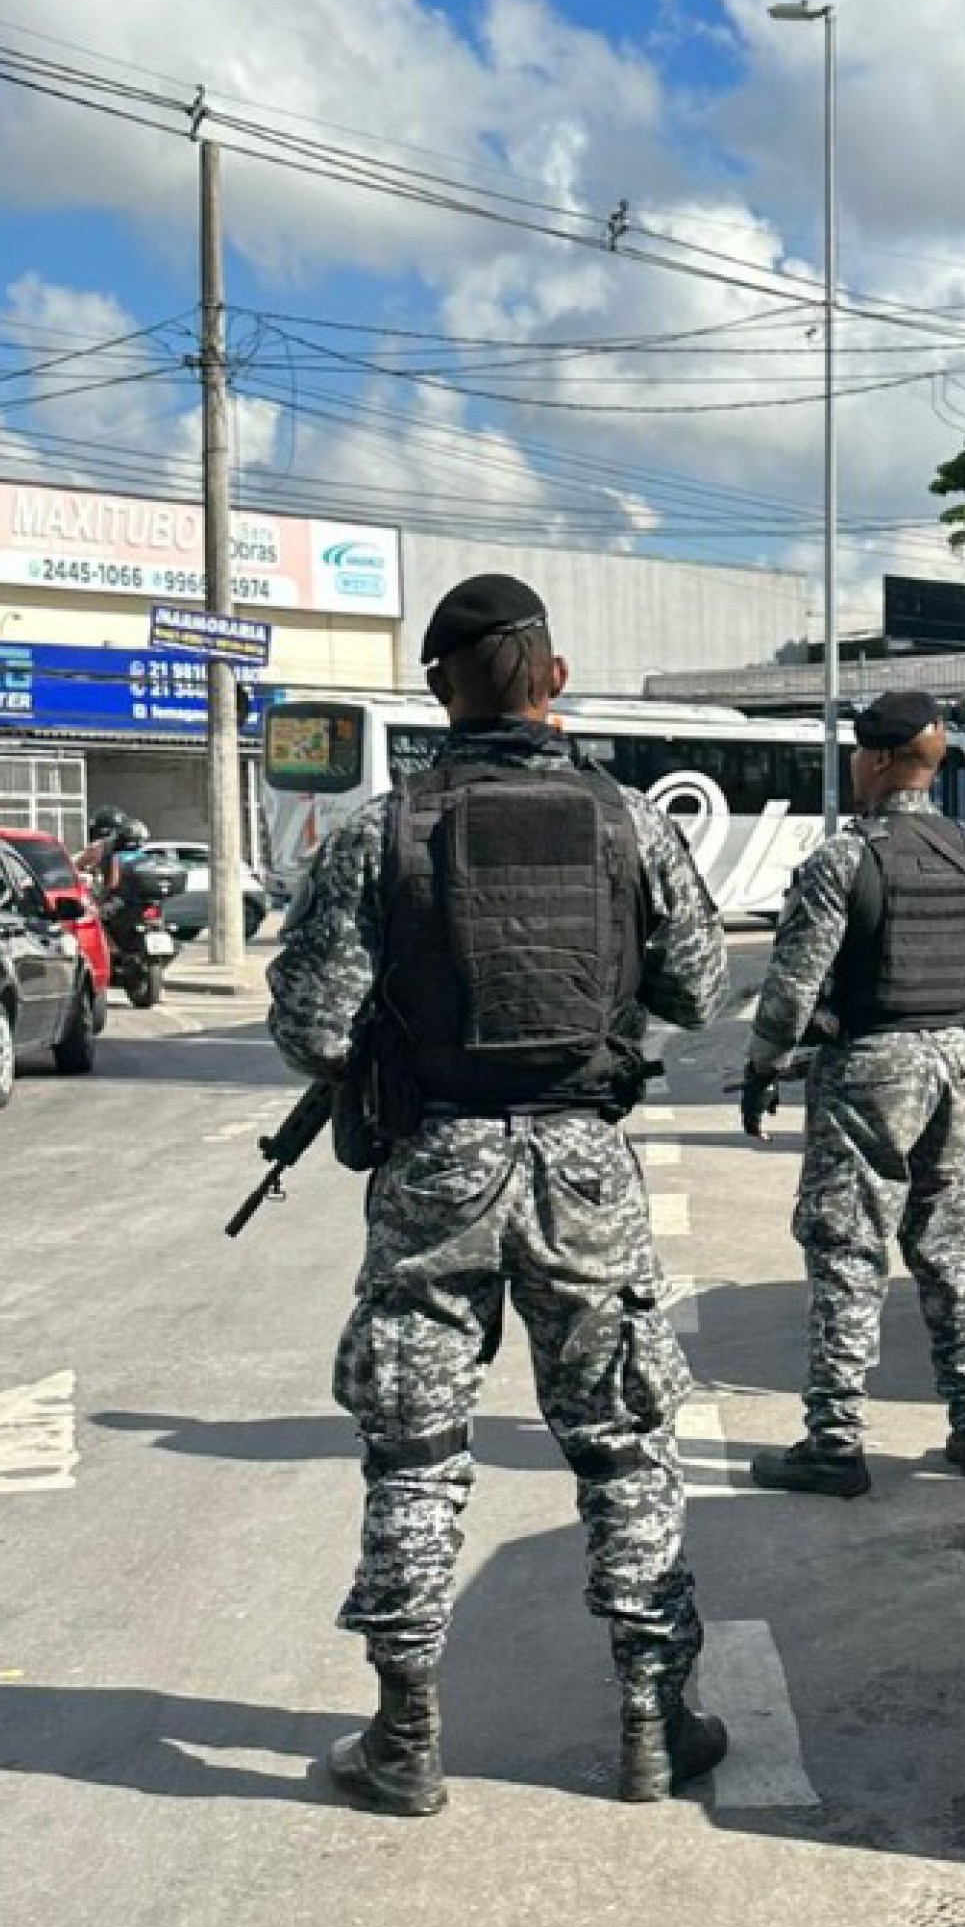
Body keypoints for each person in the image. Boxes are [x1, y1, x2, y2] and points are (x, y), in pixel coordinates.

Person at [268, 574, 731, 1813]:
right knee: (624, 1444)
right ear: (554, 679)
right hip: (584, 1170)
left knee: (415, 1454)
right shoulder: (629, 822)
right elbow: (698, 987)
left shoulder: (382, 833)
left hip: (436, 1170)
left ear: (439, 690)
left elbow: (311, 1029)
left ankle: (405, 1735)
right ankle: (655, 1725)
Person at [740, 690, 965, 1497]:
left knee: (848, 1250)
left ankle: (835, 1442)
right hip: (955, 1065)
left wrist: (764, 1068)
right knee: (950, 1246)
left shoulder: (844, 860)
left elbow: (792, 990)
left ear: (873, 759)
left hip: (870, 1066)